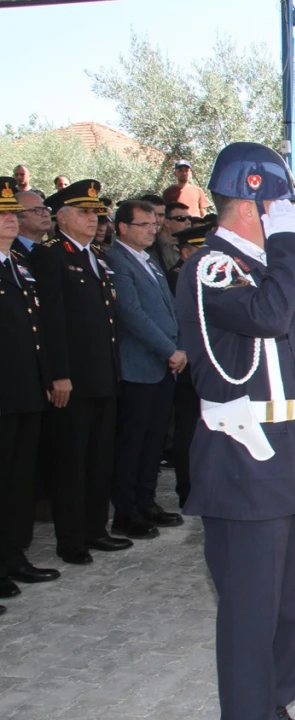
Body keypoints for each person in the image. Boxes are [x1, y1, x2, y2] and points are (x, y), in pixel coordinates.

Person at [173, 142, 295, 720]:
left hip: (288, 448)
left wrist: (280, 251)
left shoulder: (258, 270)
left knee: (289, 601)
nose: (290, 218)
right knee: (251, 609)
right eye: (280, 205)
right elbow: (268, 316)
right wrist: (289, 245)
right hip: (244, 456)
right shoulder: (213, 266)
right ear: (251, 202)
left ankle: (273, 703)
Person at [29, 179, 131, 566]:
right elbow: (51, 320)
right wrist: (59, 374)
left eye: (97, 213)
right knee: (71, 462)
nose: (94, 219)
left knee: (99, 459)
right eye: (85, 212)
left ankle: (95, 529)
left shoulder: (96, 256)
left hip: (103, 374)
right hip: (73, 379)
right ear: (62, 217)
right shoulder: (52, 256)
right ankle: (71, 540)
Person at [105, 199, 186, 540]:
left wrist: (180, 347)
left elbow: (170, 307)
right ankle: (126, 512)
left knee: (153, 440)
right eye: (145, 224)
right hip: (138, 364)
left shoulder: (148, 259)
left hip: (164, 364)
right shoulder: (116, 259)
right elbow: (131, 313)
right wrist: (169, 349)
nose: (153, 230)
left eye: (154, 224)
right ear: (122, 227)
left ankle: (146, 501)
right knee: (133, 442)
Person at [0, 176, 61, 609]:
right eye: (1, 214)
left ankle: (12, 556)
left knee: (19, 480)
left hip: (25, 389)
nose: (8, 220)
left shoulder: (17, 264)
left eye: (10, 213)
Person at [166, 222, 212, 510]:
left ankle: (205, 485)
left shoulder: (205, 276)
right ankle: (188, 489)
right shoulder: (178, 277)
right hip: (188, 364)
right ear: (185, 252)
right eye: (201, 249)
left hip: (207, 363)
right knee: (188, 430)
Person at [150, 202, 189, 272]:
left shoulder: (185, 243)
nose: (188, 222)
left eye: (189, 218)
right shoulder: (158, 247)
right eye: (181, 218)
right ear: (167, 222)